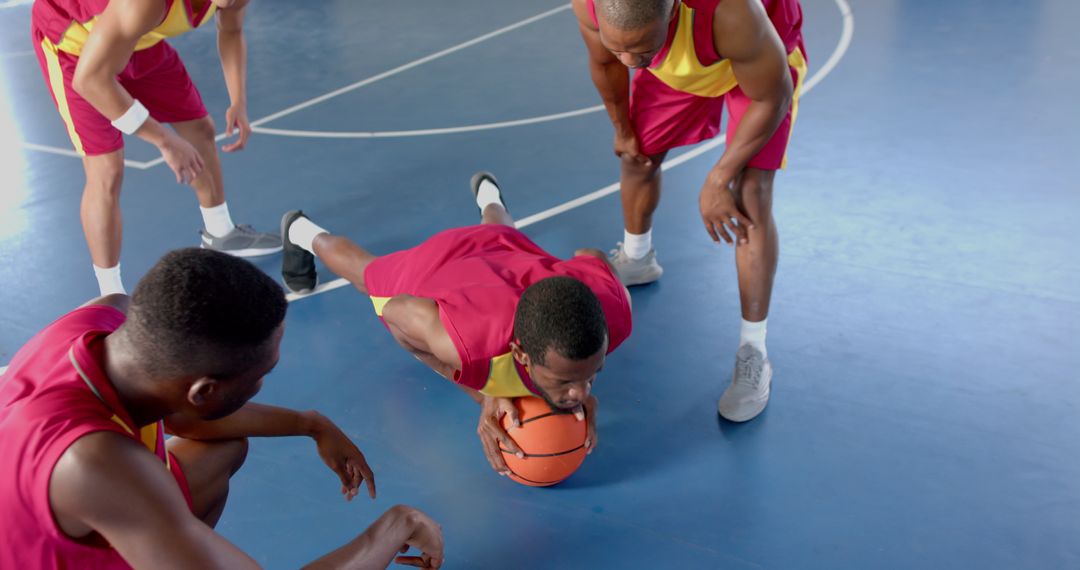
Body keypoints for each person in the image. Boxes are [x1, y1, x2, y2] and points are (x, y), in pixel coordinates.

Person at [0, 248, 444, 569]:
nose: (264, 384)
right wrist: (396, 525)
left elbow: (177, 416)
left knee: (222, 446)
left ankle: (178, 549)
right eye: (259, 377)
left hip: (67, 512)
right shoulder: (97, 463)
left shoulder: (108, 320)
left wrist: (311, 424)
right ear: (203, 390)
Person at [280, 172, 633, 476]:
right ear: (520, 354)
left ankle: (488, 192)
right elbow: (396, 312)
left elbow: (592, 256)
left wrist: (571, 380)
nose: (582, 393)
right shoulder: (465, 342)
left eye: (590, 375)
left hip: (507, 258)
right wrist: (483, 394)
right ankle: (301, 230)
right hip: (436, 266)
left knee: (500, 231)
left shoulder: (612, 313)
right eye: (566, 381)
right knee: (364, 273)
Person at [571, 0, 806, 421]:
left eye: (639, 50)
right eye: (619, 47)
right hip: (682, 59)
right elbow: (605, 62)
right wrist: (623, 129)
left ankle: (754, 352)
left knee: (749, 192)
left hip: (758, 61)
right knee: (637, 155)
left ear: (672, 12)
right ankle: (637, 258)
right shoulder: (593, 7)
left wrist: (719, 179)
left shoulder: (732, 13)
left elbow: (773, 97)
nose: (629, 60)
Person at [30, 0, 281, 296]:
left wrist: (238, 100)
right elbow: (91, 80)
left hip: (137, 40)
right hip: (73, 48)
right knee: (106, 170)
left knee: (200, 129)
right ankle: (110, 294)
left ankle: (220, 232)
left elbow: (231, 31)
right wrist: (163, 140)